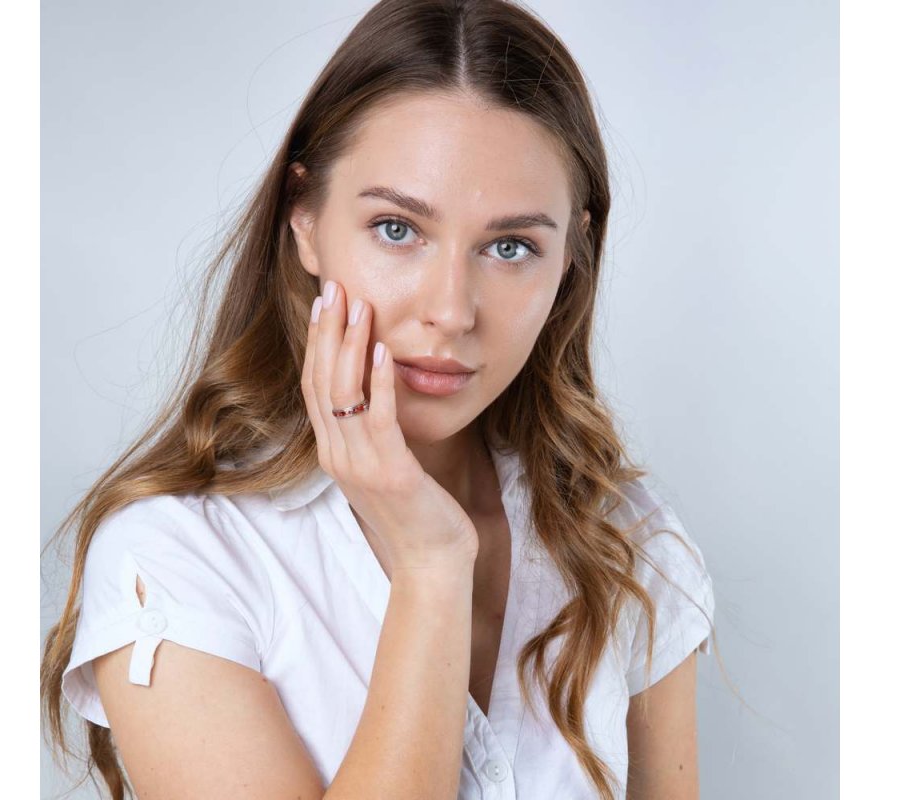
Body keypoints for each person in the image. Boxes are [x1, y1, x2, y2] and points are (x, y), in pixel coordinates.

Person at [40, 1, 717, 798]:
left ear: (571, 256)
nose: (450, 310)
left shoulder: (625, 537)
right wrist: (432, 566)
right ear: (305, 222)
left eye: (511, 247)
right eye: (398, 229)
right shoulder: (179, 557)